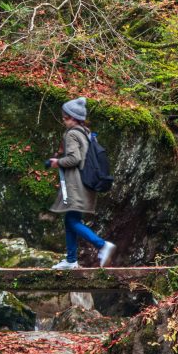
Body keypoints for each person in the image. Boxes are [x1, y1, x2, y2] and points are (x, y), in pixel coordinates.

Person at [48, 97, 117, 269]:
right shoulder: (86, 133)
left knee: (71, 220)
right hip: (86, 184)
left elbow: (74, 158)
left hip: (76, 185)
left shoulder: (72, 133)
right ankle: (71, 260)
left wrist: (57, 162)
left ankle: (102, 245)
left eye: (65, 118)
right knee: (71, 219)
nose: (64, 121)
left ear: (73, 118)